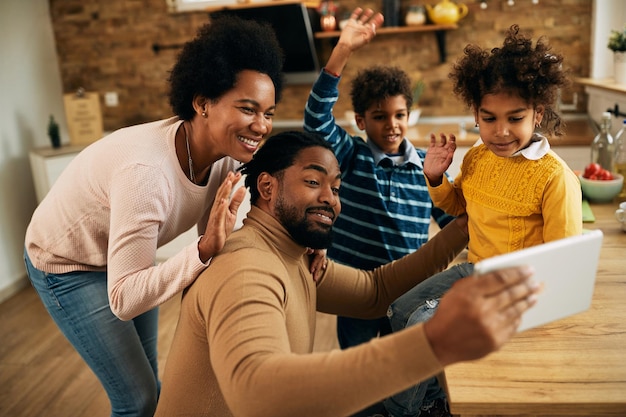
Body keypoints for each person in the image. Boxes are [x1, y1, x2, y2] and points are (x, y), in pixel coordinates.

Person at [153, 129, 540, 417]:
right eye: (312, 181)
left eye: (336, 188)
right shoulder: (245, 267)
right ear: (267, 187)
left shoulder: (292, 253)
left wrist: (460, 228)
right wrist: (434, 342)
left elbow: (375, 291)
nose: (330, 198)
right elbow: (257, 394)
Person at [23, 15, 289, 417]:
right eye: (248, 109)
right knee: (138, 399)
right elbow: (125, 299)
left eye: (269, 112)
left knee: (151, 381)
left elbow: (225, 243)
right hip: (66, 263)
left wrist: (295, 252)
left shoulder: (224, 157)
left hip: (121, 260)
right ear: (202, 103)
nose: (262, 125)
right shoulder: (147, 175)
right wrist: (201, 249)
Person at [386, 24, 583, 416]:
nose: (501, 131)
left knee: (418, 325)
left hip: (515, 288)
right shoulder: (478, 156)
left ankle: (408, 412)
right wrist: (436, 178)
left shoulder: (554, 177)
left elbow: (564, 265)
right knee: (397, 310)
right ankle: (429, 401)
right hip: (475, 270)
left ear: (537, 113)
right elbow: (461, 205)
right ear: (475, 113)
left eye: (516, 117)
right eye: (489, 118)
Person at [303, 8, 454, 355]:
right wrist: (341, 51)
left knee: (398, 366)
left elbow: (456, 221)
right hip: (354, 289)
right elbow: (316, 120)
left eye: (399, 115)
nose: (392, 125)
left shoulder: (427, 170)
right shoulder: (351, 156)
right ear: (360, 120)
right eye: (379, 116)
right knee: (356, 364)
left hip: (409, 291)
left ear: (408, 116)